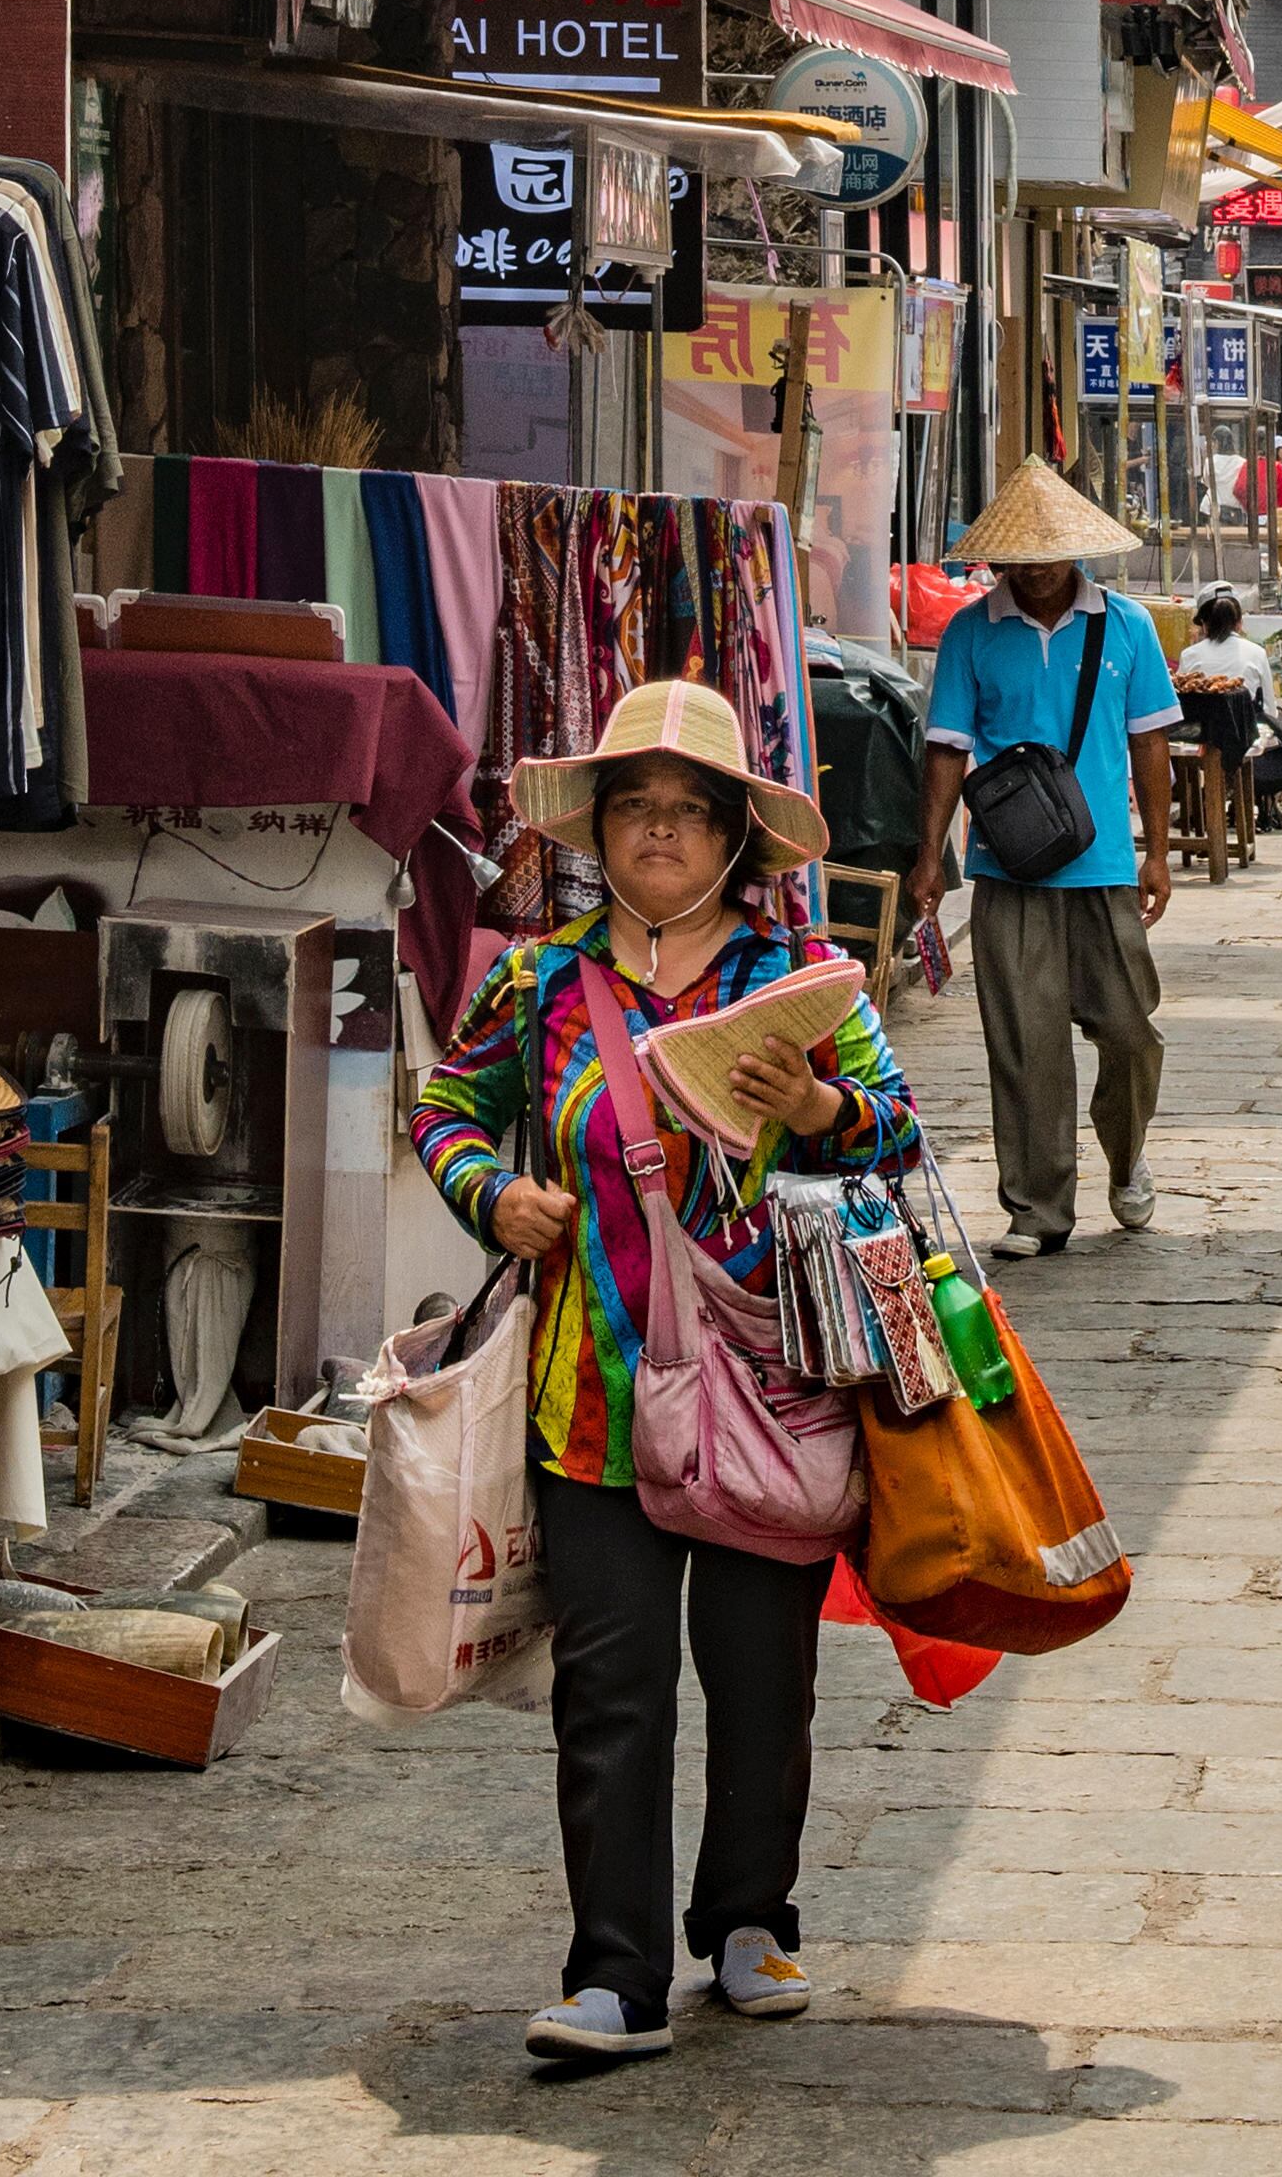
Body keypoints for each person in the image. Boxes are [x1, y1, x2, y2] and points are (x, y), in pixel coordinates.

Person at [410, 679, 914, 2073]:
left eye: (693, 813)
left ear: (738, 839)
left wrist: (817, 1107)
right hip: (596, 1395)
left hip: (779, 1384)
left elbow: (899, 1147)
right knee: (611, 1687)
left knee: (764, 1676)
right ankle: (614, 1975)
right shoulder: (538, 981)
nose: (662, 835)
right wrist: (493, 1198)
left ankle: (750, 1919)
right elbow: (446, 1106)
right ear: (603, 829)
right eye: (637, 808)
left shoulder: (801, 983)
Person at [908, 454, 1177, 1258]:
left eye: (1049, 554)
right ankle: (1037, 1207)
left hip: (1103, 870)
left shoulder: (1126, 626)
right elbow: (947, 752)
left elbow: (1152, 745)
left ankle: (1126, 1157)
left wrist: (1156, 854)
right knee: (1024, 1045)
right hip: (1008, 868)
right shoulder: (971, 632)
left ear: (1077, 549)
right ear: (998, 560)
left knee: (1130, 1033)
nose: (1035, 570)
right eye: (1019, 559)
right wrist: (931, 856)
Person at [1174, 588, 1282, 824]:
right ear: (1239, 623)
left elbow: (1183, 700)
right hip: (1242, 733)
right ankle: (1267, 805)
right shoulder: (1256, 652)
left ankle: (1209, 804)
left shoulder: (1190, 655)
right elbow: (1269, 707)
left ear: (1205, 624)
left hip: (1199, 733)